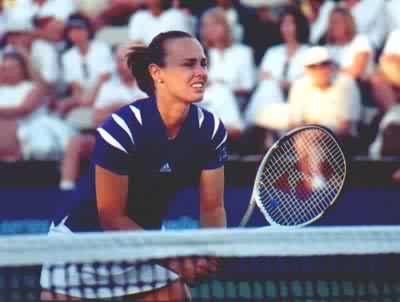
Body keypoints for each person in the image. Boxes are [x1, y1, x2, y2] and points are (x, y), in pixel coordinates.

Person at [40, 31, 228, 301]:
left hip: (146, 243)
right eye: (188, 64)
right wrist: (175, 261)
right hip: (82, 246)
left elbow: (212, 207)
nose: (200, 72)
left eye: (203, 63)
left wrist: (210, 251)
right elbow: (111, 216)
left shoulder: (210, 130)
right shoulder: (123, 128)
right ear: (157, 73)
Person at [288, 46, 362, 156]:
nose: (319, 70)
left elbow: (345, 128)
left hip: (343, 143)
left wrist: (316, 132)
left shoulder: (346, 83)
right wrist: (313, 132)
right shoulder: (299, 86)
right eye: (313, 66)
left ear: (332, 65)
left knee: (308, 141)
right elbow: (295, 124)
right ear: (306, 69)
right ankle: (315, 174)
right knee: (307, 142)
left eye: (324, 64)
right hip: (307, 141)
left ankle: (314, 173)